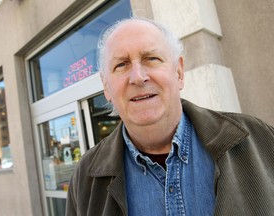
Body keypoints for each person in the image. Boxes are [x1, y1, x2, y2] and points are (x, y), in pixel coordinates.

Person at [66, 17, 274, 216]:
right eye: (121, 64)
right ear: (106, 88)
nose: (138, 77)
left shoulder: (259, 140)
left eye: (151, 58)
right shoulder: (85, 179)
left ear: (179, 72)